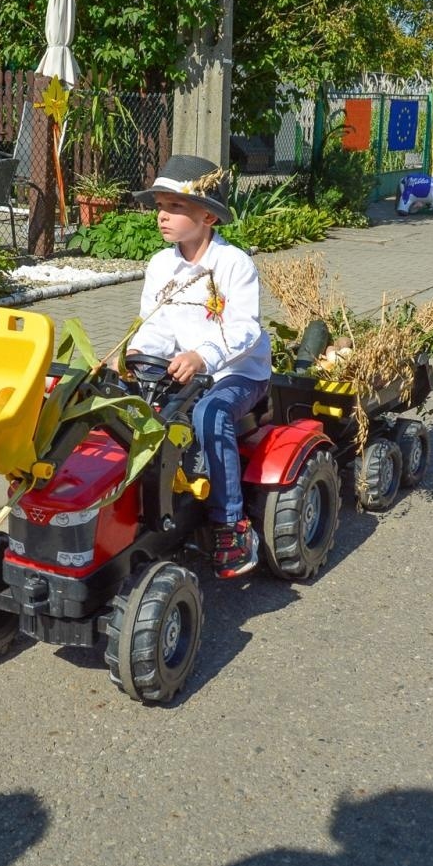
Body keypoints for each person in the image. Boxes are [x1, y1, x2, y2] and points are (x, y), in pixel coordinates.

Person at [126, 155, 273, 578]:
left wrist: (203, 355)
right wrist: (137, 356)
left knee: (210, 413)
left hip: (237, 373)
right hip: (181, 369)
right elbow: (154, 324)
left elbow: (244, 328)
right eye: (159, 206)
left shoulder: (233, 264)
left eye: (175, 207)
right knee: (132, 409)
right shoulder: (161, 266)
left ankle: (229, 523)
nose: (163, 217)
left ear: (208, 215)